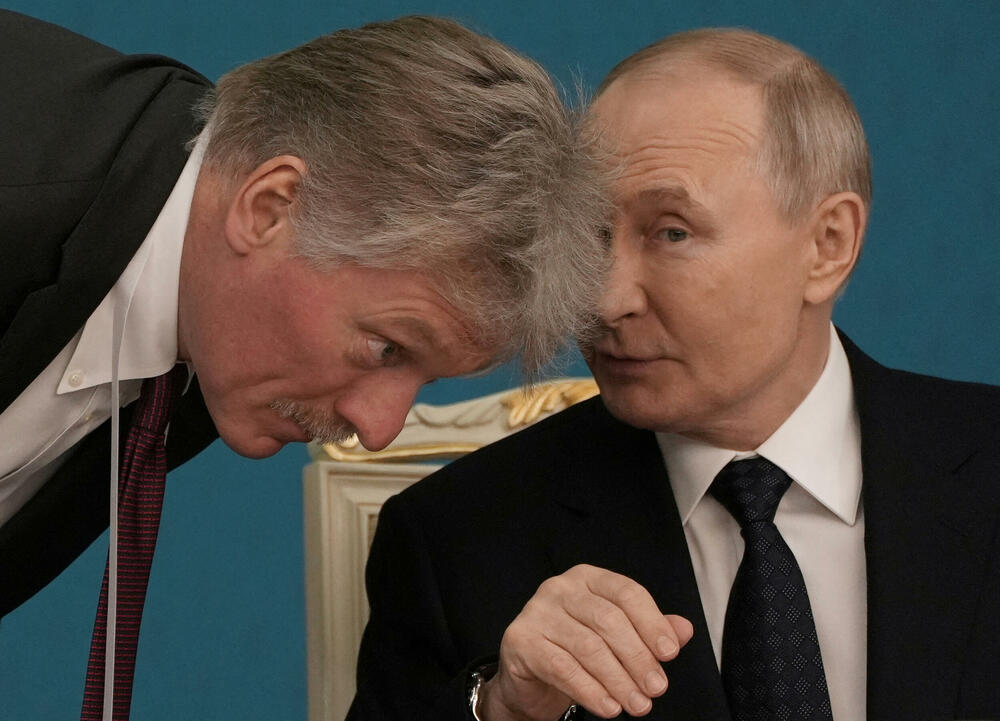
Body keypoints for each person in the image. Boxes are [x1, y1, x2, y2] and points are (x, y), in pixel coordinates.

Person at [349, 28, 1000, 721]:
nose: (605, 300)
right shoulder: (456, 537)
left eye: (672, 232)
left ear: (827, 244)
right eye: (591, 234)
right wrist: (505, 708)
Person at [0, 11, 607, 619]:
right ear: (269, 208)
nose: (380, 429)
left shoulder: (215, 317)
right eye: (387, 348)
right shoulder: (25, 181)